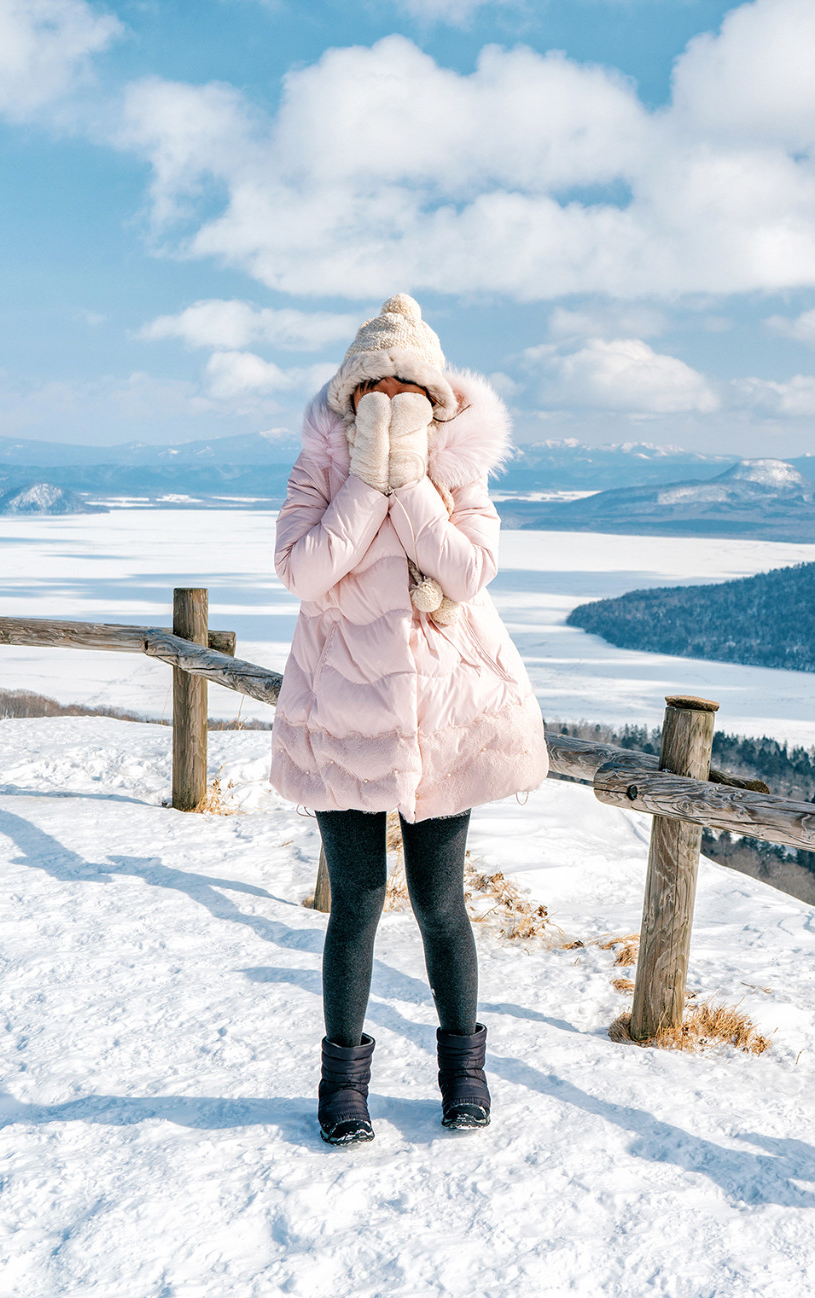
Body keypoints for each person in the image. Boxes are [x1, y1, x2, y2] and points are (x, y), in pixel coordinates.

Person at [270, 294, 548, 1145]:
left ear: (434, 396)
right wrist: (363, 484)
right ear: (350, 397)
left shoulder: (460, 469)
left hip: (440, 717)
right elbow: (302, 571)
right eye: (373, 389)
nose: (389, 401)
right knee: (355, 901)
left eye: (407, 389)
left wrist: (415, 489)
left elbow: (470, 570)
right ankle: (342, 1082)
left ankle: (464, 1070)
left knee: (440, 905)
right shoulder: (321, 466)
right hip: (343, 714)